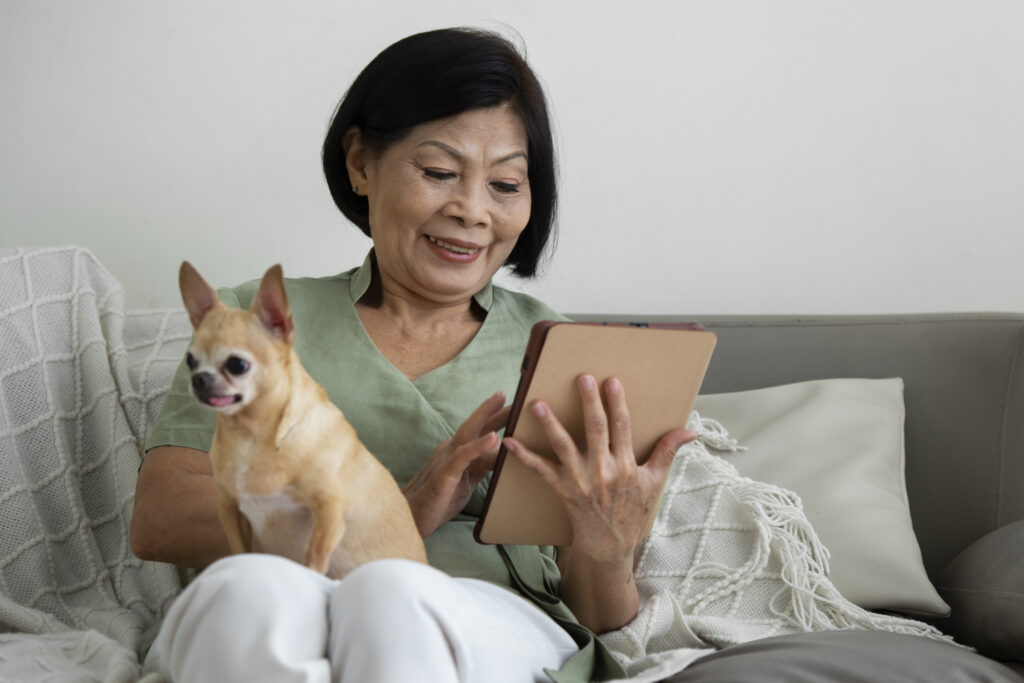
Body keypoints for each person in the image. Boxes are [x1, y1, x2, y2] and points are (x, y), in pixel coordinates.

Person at [130, 27, 693, 682]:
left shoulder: (572, 358)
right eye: (439, 173)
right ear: (361, 163)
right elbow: (161, 516)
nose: (472, 210)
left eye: (507, 185)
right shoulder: (250, 322)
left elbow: (601, 614)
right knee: (250, 590)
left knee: (389, 592)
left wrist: (607, 543)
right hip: (283, 585)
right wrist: (394, 506)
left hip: (486, 617)